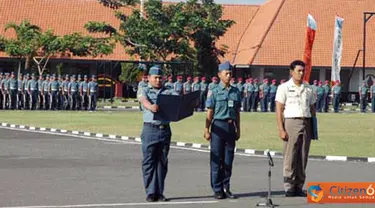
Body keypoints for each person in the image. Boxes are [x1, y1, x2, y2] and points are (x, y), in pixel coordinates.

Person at [275, 60, 316, 197]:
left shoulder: (309, 88)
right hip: (291, 122)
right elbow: (279, 109)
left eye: (303, 70)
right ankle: (289, 185)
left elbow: (312, 108)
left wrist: (313, 127)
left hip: (306, 122)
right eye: (298, 70)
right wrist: (281, 129)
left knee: (303, 155)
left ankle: (299, 185)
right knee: (290, 155)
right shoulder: (284, 88)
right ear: (291, 72)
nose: (301, 73)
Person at [138, 65, 176, 202]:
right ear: (149, 78)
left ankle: (160, 192)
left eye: (161, 77)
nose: (158, 80)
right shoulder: (143, 89)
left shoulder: (169, 91)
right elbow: (143, 100)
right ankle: (150, 192)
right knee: (149, 162)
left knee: (162, 162)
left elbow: (178, 101)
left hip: (165, 129)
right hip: (150, 130)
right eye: (156, 78)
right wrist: (150, 106)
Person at [204, 61, 241, 200]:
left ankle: (226, 187)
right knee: (216, 159)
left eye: (230, 73)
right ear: (219, 75)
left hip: (230, 127)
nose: (229, 75)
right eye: (226, 73)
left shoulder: (235, 91)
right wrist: (206, 129)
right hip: (218, 126)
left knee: (228, 160)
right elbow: (210, 112)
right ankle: (217, 189)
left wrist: (238, 129)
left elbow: (237, 113)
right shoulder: (214, 91)